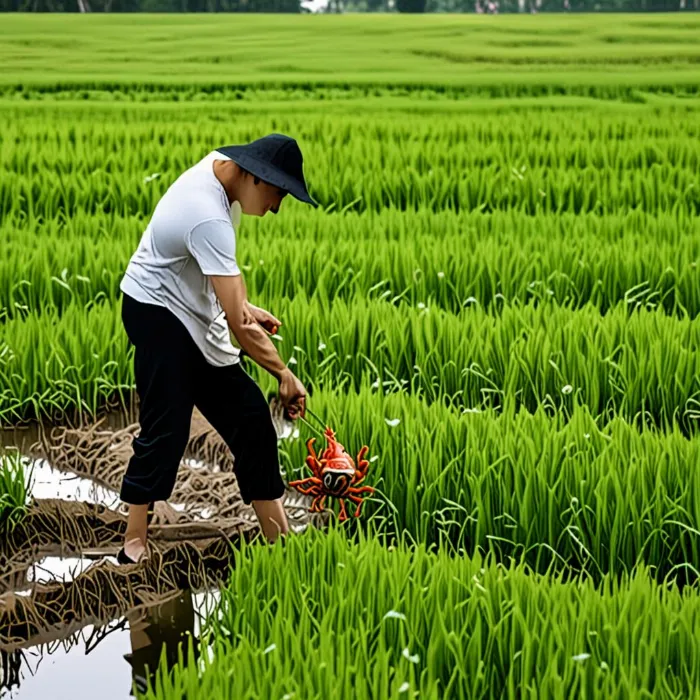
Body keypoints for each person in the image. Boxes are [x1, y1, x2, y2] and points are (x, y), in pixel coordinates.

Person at [116, 134, 317, 564]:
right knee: (166, 425)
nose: (279, 206)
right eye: (280, 193)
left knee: (251, 417)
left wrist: (245, 307)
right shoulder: (208, 214)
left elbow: (219, 283)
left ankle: (277, 537)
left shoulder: (222, 175)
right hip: (154, 309)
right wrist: (283, 374)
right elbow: (240, 326)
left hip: (191, 307)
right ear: (257, 177)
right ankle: (133, 539)